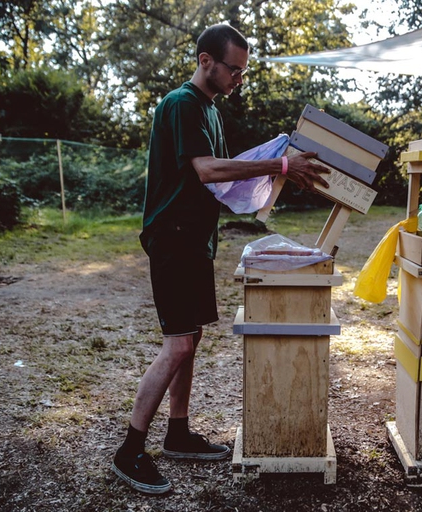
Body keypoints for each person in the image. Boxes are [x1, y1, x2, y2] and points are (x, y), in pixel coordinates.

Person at [111, 23, 330, 495]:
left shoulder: (210, 112)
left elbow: (218, 180)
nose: (239, 79)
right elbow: (206, 169)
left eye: (243, 72)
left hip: (195, 239)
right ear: (206, 60)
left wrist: (272, 168)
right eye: (234, 69)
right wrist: (280, 165)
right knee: (179, 344)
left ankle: (178, 433)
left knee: (191, 337)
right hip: (171, 237)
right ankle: (130, 450)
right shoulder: (181, 104)